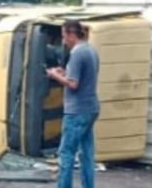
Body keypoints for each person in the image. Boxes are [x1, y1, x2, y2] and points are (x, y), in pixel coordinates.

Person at [46, 20, 99, 188]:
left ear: (71, 34)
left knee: (66, 154)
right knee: (87, 154)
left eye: (64, 36)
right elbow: (81, 77)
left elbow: (73, 84)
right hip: (91, 107)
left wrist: (55, 76)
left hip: (76, 111)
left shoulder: (77, 53)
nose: (63, 41)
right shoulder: (90, 50)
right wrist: (65, 73)